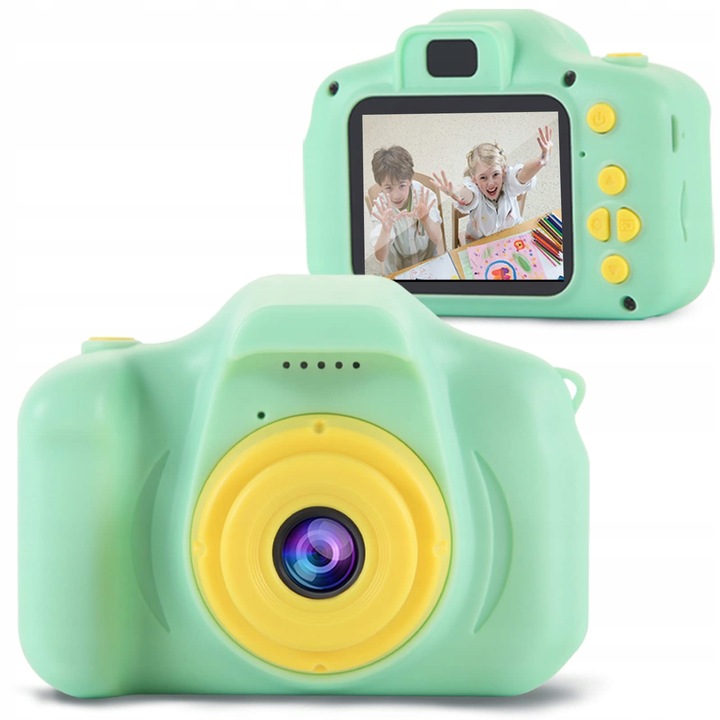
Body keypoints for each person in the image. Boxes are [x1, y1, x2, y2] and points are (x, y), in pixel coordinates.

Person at [433, 127, 553, 243]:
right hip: (480, 243)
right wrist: (455, 192)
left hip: (511, 236)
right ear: (474, 178)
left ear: (504, 171)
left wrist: (539, 162)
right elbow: (467, 194)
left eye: (495, 174)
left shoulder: (508, 181)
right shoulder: (474, 189)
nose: (490, 183)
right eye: (483, 177)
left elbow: (523, 175)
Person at [369, 145, 443, 275]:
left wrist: (425, 219)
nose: (396, 195)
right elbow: (380, 257)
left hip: (427, 261)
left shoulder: (424, 196)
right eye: (388, 188)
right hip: (398, 268)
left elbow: (438, 239)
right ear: (380, 186)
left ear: (410, 180)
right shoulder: (381, 209)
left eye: (402, 185)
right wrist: (385, 230)